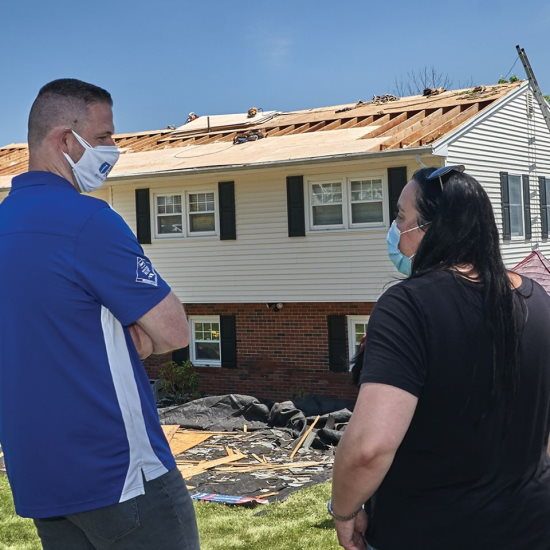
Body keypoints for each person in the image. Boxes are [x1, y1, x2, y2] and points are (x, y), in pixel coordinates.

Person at [0, 79, 200, 549]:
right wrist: (132, 336)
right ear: (65, 140)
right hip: (120, 476)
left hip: (39, 479)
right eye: (104, 136)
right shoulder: (88, 221)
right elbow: (174, 331)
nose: (114, 148)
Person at [330, 166, 550, 550]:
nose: (395, 229)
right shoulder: (537, 300)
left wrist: (344, 510)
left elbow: (369, 448)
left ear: (432, 228)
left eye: (401, 217)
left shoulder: (406, 307)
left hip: (431, 531)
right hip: (532, 527)